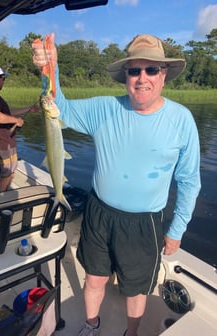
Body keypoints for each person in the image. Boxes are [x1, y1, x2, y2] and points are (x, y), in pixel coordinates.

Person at [33, 33, 201, 336]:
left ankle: (131, 332)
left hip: (144, 222)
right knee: (94, 278)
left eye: (151, 70)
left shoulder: (182, 120)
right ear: (125, 76)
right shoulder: (105, 108)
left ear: (164, 76)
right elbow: (58, 108)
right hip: (99, 213)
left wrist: (177, 230)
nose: (142, 78)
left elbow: (189, 181)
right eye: (134, 70)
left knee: (136, 290)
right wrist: (49, 68)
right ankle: (90, 325)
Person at [0, 64, 39, 192]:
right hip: (4, 143)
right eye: (3, 78)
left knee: (5, 173)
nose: (4, 81)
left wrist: (28, 109)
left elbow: (7, 112)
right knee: (7, 173)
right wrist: (16, 121)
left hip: (0, 142)